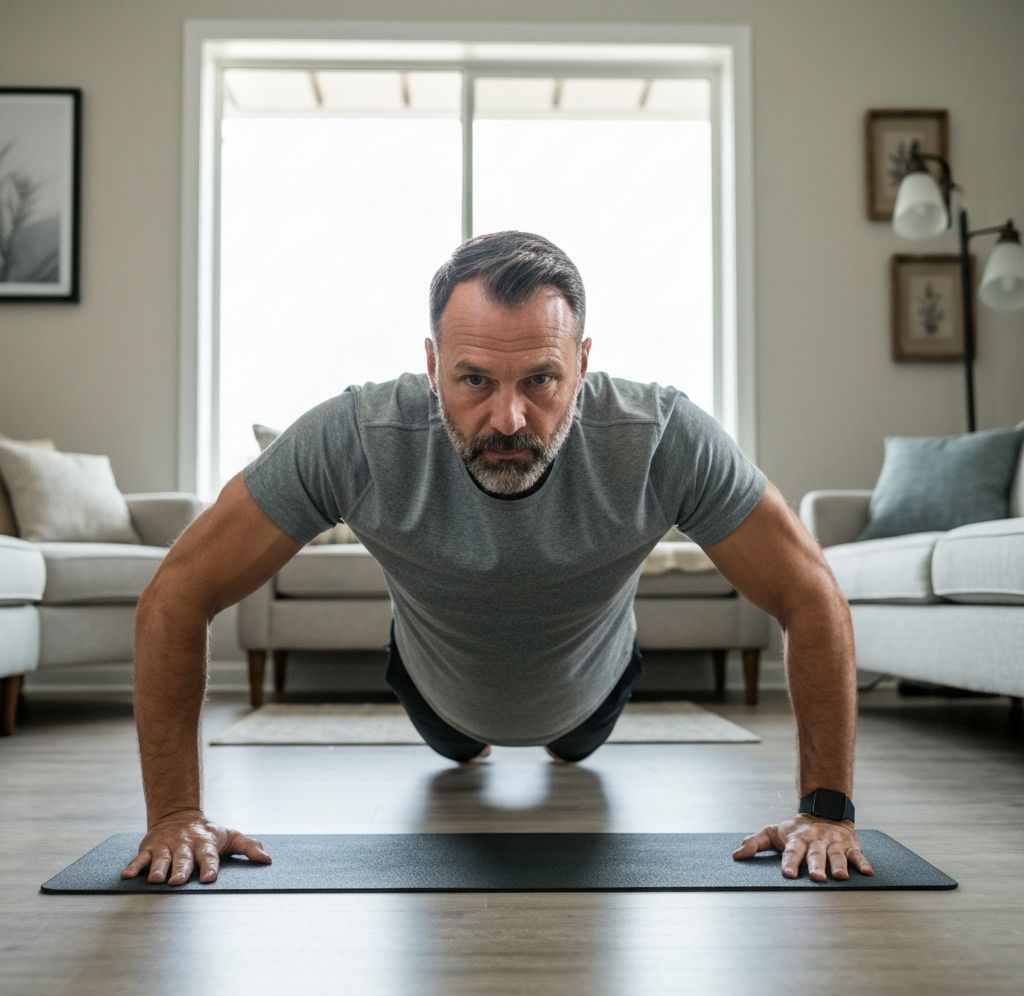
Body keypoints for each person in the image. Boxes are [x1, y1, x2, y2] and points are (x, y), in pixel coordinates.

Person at [121, 230, 874, 888]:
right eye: (474, 380)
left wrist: (826, 811)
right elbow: (177, 595)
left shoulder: (661, 434)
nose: (508, 419)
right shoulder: (354, 435)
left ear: (582, 363)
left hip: (594, 687)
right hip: (435, 688)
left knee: (574, 745)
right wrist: (176, 814)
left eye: (541, 380)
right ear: (431, 363)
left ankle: (562, 716)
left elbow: (811, 595)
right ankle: (470, 730)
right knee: (458, 744)